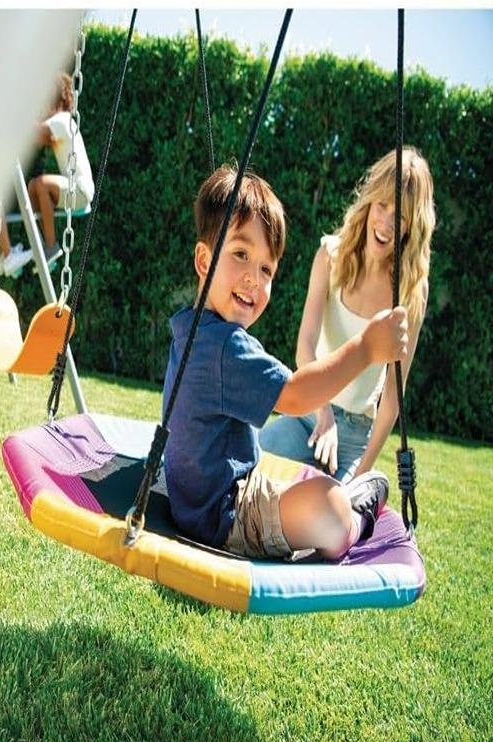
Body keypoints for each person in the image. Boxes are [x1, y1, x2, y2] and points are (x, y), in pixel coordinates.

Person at [163, 164, 409, 561]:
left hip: (204, 503)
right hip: (227, 514)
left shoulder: (190, 327)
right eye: (240, 254)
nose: (254, 279)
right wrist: (366, 348)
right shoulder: (225, 346)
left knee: (308, 494)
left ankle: (331, 506)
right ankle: (356, 516)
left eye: (266, 269)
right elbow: (295, 397)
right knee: (329, 504)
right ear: (204, 261)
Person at [259, 147, 435, 481]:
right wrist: (323, 413)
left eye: (399, 216)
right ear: (369, 202)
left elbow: (393, 396)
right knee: (245, 468)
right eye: (381, 205)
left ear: (412, 226)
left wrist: (360, 476)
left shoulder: (411, 289)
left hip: (356, 438)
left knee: (340, 511)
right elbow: (305, 346)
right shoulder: (330, 256)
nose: (385, 222)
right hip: (308, 416)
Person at [0, 72, 95, 278]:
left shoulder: (63, 120)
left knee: (40, 184)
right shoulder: (59, 122)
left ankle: (50, 247)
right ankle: (42, 246)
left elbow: (39, 135)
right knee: (33, 187)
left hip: (80, 190)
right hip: (74, 190)